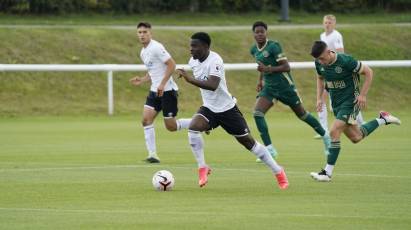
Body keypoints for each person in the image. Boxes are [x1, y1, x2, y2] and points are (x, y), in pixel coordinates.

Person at [176, 32, 289, 190]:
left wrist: (189, 79)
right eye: (190, 46)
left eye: (195, 46)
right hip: (209, 108)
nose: (191, 49)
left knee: (249, 143)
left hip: (227, 109)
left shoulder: (215, 60)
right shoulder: (193, 62)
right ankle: (202, 167)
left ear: (206, 47)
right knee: (194, 127)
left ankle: (278, 171)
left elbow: (213, 85)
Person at [309, 41, 401, 182]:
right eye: (318, 60)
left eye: (322, 58)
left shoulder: (346, 61)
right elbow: (320, 78)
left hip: (351, 102)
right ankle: (383, 119)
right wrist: (319, 99)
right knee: (356, 137)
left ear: (329, 52)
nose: (320, 62)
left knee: (334, 130)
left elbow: (369, 72)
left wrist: (362, 95)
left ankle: (326, 173)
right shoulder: (320, 63)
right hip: (337, 105)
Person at [250, 21, 331, 162]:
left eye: (262, 31)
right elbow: (261, 66)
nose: (259, 34)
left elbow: (286, 67)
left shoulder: (274, 46)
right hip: (269, 88)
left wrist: (268, 69)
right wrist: (260, 80)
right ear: (253, 34)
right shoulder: (254, 50)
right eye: (257, 32)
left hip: (285, 87)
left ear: (266, 32)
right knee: (257, 113)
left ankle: (325, 137)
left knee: (302, 114)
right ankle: (269, 149)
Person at [129, 22, 191, 163]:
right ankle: (153, 155)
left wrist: (162, 84)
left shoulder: (156, 47)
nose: (142, 35)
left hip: (167, 91)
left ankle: (198, 123)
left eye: (145, 32)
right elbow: (153, 71)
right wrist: (143, 79)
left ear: (150, 33)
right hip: (154, 91)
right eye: (139, 32)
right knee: (146, 120)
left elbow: (171, 64)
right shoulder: (143, 52)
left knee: (171, 127)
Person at [315, 14, 365, 139]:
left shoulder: (336, 36)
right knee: (322, 100)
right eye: (325, 22)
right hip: (328, 72)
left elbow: (341, 52)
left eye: (330, 23)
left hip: (336, 73)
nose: (327, 25)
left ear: (334, 24)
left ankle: (360, 123)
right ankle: (324, 129)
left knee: (336, 102)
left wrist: (336, 67)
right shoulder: (322, 36)